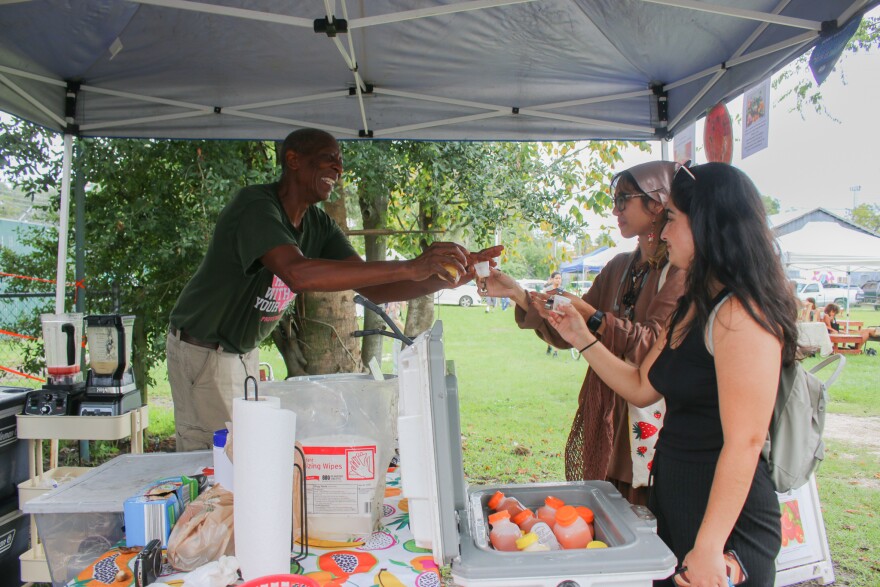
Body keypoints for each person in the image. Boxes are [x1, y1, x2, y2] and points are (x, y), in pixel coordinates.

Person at [167, 128, 502, 451]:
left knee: (244, 460)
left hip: (240, 353)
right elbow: (297, 274)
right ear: (294, 160)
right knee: (215, 467)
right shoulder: (256, 207)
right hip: (204, 352)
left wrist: (449, 277)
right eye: (329, 159)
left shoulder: (317, 224)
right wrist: (413, 265)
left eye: (340, 162)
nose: (339, 169)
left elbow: (376, 289)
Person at [548, 162, 794, 586]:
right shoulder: (694, 304)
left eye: (673, 220)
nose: (663, 233)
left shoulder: (741, 315)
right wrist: (580, 337)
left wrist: (711, 546)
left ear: (707, 225)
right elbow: (641, 387)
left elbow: (746, 441)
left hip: (725, 527)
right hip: (676, 505)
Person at [484, 161, 685, 505]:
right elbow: (565, 333)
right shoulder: (619, 266)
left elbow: (649, 346)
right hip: (606, 413)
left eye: (624, 199)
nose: (615, 209)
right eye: (615, 199)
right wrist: (516, 292)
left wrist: (590, 317)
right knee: (605, 509)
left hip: (650, 418)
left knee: (643, 516)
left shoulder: (679, 272)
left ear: (657, 203)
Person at [543, 271, 563, 356]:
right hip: (549, 312)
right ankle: (549, 346)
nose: (558, 280)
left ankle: (556, 352)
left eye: (559, 278)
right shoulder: (548, 290)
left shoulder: (561, 290)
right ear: (552, 279)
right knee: (548, 332)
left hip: (559, 313)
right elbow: (545, 301)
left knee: (557, 333)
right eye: (556, 278)